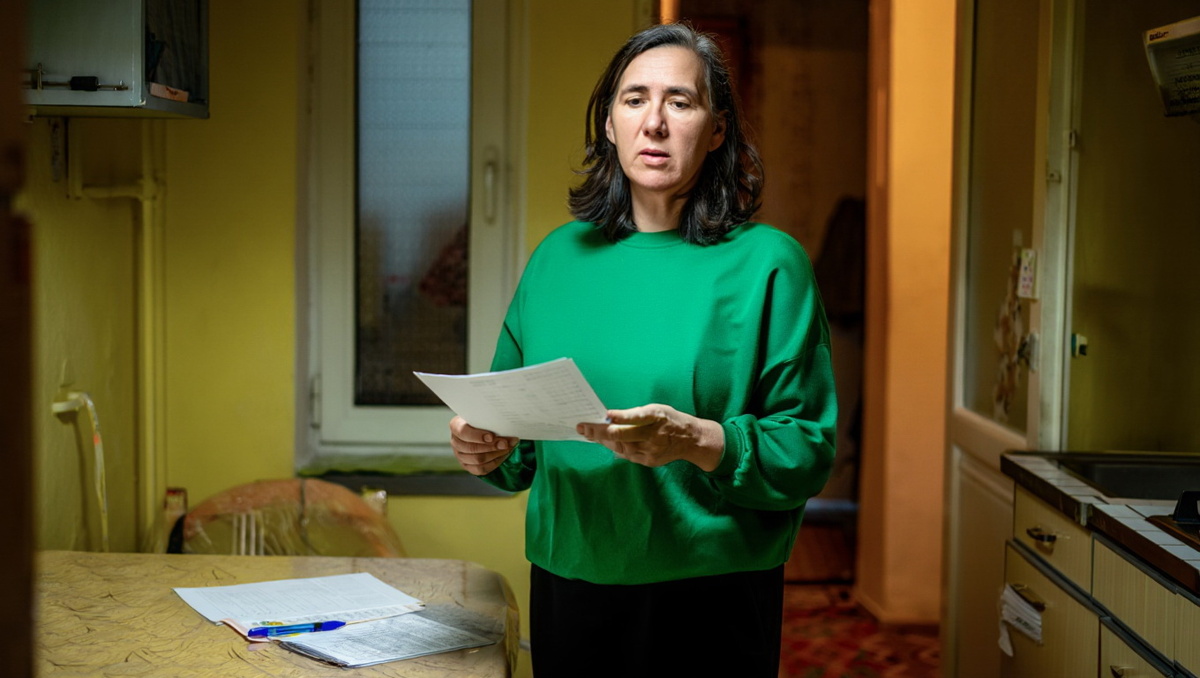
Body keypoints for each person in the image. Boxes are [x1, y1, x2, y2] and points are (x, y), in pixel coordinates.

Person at [449, 22, 836, 677]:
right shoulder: (556, 259)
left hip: (712, 599)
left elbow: (807, 450)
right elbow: (516, 447)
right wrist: (484, 446)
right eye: (634, 100)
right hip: (570, 587)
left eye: (680, 102)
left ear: (717, 130)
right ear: (609, 123)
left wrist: (697, 441)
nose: (654, 122)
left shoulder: (771, 265)